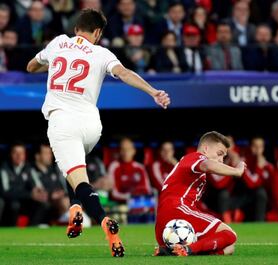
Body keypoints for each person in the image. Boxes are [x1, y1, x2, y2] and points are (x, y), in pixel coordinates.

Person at [26, 8, 170, 257]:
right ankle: (74, 208)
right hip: (92, 123)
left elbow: (30, 67)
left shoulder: (59, 42)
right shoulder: (102, 52)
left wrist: (49, 64)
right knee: (74, 166)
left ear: (75, 29)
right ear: (98, 33)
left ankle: (105, 222)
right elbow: (125, 73)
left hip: (63, 120)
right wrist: (153, 92)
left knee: (78, 177)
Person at [154, 131, 246, 256]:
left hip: (164, 225)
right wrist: (237, 171)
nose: (221, 160)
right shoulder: (195, 157)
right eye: (219, 154)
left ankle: (174, 250)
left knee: (229, 248)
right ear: (206, 149)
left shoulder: (188, 164)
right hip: (178, 210)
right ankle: (189, 249)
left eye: (224, 157)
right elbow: (208, 165)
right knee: (230, 235)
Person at [0, 142, 49, 226]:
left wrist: (40, 192)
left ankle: (33, 228)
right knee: (14, 205)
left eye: (21, 153)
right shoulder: (4, 168)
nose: (19, 156)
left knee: (42, 203)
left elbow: (38, 186)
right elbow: (5, 192)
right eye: (16, 153)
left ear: (24, 155)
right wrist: (29, 194)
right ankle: (11, 230)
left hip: (26, 202)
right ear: (11, 154)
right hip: (10, 203)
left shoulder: (29, 168)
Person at [31, 143, 69, 222]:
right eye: (46, 153)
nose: (50, 156)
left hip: (57, 201)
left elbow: (61, 187)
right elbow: (38, 190)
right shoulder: (31, 171)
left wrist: (61, 193)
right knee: (64, 202)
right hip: (41, 202)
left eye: (50, 153)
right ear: (37, 156)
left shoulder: (54, 170)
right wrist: (51, 194)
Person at [108, 138, 152, 202]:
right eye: (123, 149)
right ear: (119, 151)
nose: (126, 152)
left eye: (128, 149)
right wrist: (132, 197)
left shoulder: (140, 167)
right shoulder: (114, 166)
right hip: (121, 204)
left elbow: (147, 189)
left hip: (140, 203)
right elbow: (114, 193)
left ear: (134, 151)